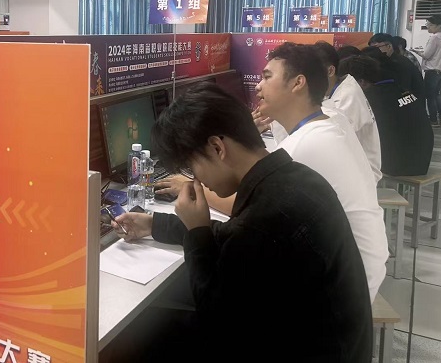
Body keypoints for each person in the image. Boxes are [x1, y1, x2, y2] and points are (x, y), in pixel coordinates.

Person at [112, 83, 372, 362]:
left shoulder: (261, 224)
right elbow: (231, 234)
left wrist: (198, 233)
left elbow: (218, 329)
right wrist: (154, 225)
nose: (195, 179)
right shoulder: (297, 178)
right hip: (337, 345)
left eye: (191, 166)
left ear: (217, 147)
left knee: (147, 340)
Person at [253, 43, 388, 301]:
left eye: (267, 77)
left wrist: (189, 185)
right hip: (361, 270)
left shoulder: (306, 144)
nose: (258, 86)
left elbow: (245, 200)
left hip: (342, 292)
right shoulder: (331, 120)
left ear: (298, 83)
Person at [339, 55, 433, 176]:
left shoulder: (369, 98)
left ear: (361, 82)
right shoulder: (398, 88)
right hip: (421, 161)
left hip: (398, 165)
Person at [314, 41, 381, 182]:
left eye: (310, 72)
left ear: (330, 71)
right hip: (346, 165)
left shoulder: (347, 97)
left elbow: (328, 140)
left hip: (360, 174)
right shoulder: (336, 90)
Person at [411, 15, 441, 126]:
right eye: (427, 24)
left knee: (429, 96)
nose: (428, 27)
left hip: (433, 70)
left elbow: (426, 55)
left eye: (430, 25)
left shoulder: (434, 38)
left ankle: (433, 119)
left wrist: (415, 51)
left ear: (439, 25)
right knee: (437, 94)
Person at [369, 33, 425, 99]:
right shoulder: (391, 60)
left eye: (376, 47)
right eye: (371, 48)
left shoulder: (399, 64)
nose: (373, 51)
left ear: (389, 46)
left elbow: (404, 89)